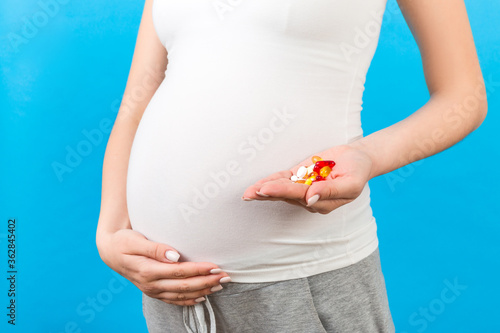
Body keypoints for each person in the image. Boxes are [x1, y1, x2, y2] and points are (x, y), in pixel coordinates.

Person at [96, 0, 487, 332]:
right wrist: (110, 233)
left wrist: (367, 156)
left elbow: (464, 96)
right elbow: (138, 99)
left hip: (302, 283)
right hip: (170, 298)